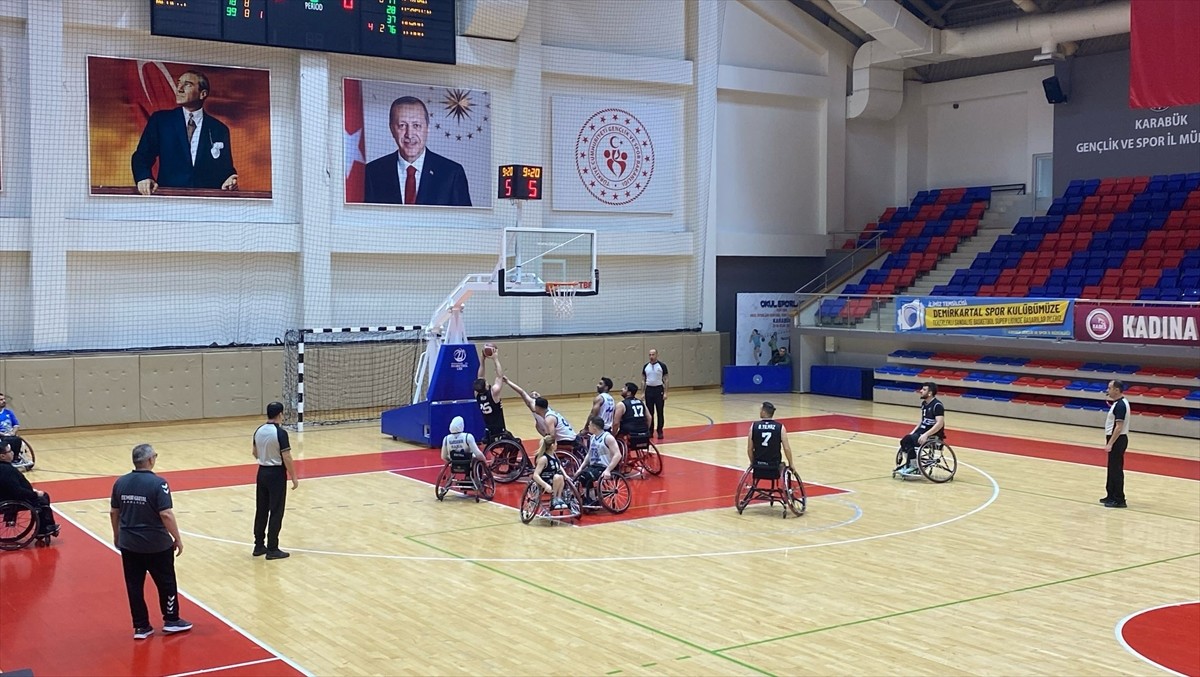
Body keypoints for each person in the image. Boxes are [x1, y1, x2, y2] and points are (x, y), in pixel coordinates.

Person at [110, 443, 192, 639]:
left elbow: (114, 512)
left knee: (134, 585)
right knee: (166, 582)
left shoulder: (120, 483)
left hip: (129, 544)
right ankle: (171, 619)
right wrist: (177, 538)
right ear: (149, 460)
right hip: (156, 544)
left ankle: (141, 626)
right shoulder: (159, 484)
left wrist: (117, 535)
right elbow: (166, 514)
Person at [131, 70, 238, 195]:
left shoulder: (219, 129)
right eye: (179, 84)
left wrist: (230, 179)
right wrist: (143, 177)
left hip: (207, 203)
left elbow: (226, 170)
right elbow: (141, 157)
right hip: (169, 200)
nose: (179, 89)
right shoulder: (161, 121)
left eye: (187, 85)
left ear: (203, 94)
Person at [363, 96, 471, 206]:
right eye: (402, 125)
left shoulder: (452, 174)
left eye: (416, 125)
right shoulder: (372, 173)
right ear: (391, 129)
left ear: (427, 128)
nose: (409, 134)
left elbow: (465, 221)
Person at [252, 402, 299, 560]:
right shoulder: (280, 433)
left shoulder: (258, 431)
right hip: (276, 474)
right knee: (276, 511)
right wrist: (293, 476)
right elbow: (286, 456)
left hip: (262, 472)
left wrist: (265, 457)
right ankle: (273, 548)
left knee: (262, 509)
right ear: (280, 414)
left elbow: (254, 452)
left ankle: (259, 545)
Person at [0, 440, 58, 538]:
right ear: (2, 456)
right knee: (42, 498)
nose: (13, 452)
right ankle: (44, 528)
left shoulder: (4, 468)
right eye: (9, 451)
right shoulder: (7, 470)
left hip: (6, 495)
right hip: (11, 499)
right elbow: (17, 491)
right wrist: (34, 494)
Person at [503, 377, 577, 449]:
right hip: (570, 435)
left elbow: (521, 392)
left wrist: (508, 381)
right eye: (532, 394)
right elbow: (523, 393)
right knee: (539, 429)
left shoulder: (548, 416)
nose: (533, 395)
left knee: (543, 445)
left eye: (535, 394)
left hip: (566, 440)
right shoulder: (544, 408)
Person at [896, 382, 945, 477]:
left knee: (908, 440)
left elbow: (939, 424)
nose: (921, 391)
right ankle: (911, 464)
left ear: (930, 393)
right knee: (905, 440)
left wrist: (926, 434)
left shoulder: (937, 405)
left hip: (933, 435)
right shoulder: (924, 404)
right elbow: (922, 421)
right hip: (921, 431)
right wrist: (913, 431)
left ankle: (914, 466)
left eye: (924, 390)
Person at [575, 416, 622, 507]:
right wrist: (580, 468)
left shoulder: (608, 438)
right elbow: (589, 455)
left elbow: (618, 455)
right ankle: (589, 498)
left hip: (605, 466)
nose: (588, 427)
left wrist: (608, 470)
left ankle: (591, 499)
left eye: (589, 425)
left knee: (588, 476)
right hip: (594, 466)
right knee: (581, 476)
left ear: (594, 427)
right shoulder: (592, 438)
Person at [1100, 380, 1130, 509]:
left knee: (1116, 470)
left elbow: (1118, 427)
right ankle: (1111, 495)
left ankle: (1119, 499)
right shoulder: (1118, 403)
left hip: (1118, 440)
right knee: (1112, 468)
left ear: (1117, 390)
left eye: (1110, 388)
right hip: (1115, 439)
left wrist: (1110, 443)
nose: (1108, 390)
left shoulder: (1121, 405)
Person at [747, 401, 796, 473]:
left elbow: (749, 449)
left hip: (758, 464)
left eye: (760, 410)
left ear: (763, 412)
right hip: (774, 465)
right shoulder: (780, 427)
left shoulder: (753, 426)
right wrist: (791, 463)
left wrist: (752, 462)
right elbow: (786, 448)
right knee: (783, 466)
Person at [474, 349, 508, 444]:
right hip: (499, 430)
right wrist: (495, 359)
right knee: (517, 442)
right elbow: (499, 376)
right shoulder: (493, 393)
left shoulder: (477, 394)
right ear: (486, 386)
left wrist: (482, 360)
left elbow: (480, 377)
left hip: (488, 430)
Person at [531, 434, 568, 511]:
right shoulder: (544, 458)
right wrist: (545, 485)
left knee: (560, 476)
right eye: (556, 443)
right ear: (552, 445)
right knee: (558, 477)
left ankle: (558, 498)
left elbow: (559, 466)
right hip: (546, 480)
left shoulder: (553, 455)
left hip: (555, 479)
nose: (557, 445)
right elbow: (535, 475)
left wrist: (566, 475)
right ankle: (553, 499)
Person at [642, 348, 669, 440]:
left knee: (660, 411)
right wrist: (642, 393)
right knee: (649, 412)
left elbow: (666, 379)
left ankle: (660, 430)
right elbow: (643, 380)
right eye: (649, 355)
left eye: (653, 355)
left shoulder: (662, 366)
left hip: (659, 390)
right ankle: (650, 430)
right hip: (649, 390)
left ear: (657, 355)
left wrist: (665, 392)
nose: (651, 357)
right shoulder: (646, 366)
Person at [0, 392, 31, 470]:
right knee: (8, 440)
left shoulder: (9, 412)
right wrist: (3, 434)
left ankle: (15, 458)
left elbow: (16, 425)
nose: (3, 401)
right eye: (1, 400)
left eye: (3, 399)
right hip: (1, 435)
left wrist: (13, 432)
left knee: (17, 439)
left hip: (10, 434)